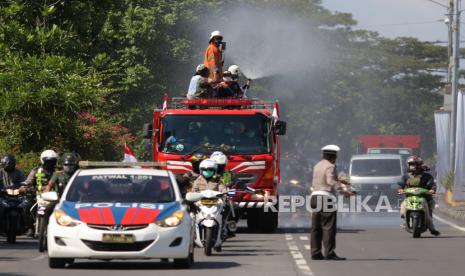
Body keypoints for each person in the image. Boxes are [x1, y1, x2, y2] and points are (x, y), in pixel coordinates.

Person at [310, 145, 353, 261]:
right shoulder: (330, 166)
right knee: (328, 227)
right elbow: (330, 181)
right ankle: (329, 253)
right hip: (326, 197)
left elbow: (324, 179)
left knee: (316, 227)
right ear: (333, 156)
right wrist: (345, 192)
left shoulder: (317, 165)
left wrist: (340, 180)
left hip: (314, 197)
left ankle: (315, 253)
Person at [399, 155, 440, 236]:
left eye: (415, 164)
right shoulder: (406, 176)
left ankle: (432, 229)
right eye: (411, 164)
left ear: (419, 165)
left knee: (428, 215)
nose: (413, 166)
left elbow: (432, 185)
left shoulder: (427, 176)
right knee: (402, 211)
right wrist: (400, 189)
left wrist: (432, 190)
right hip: (409, 198)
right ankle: (406, 222)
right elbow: (401, 185)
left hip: (425, 198)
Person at [24, 149, 58, 236]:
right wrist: (24, 187)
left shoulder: (58, 172)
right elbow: (28, 181)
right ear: (43, 160)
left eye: (52, 161)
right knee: (27, 207)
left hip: (55, 197)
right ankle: (30, 227)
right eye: (48, 162)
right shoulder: (36, 170)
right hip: (38, 196)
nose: (50, 164)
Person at [0, 155, 27, 231]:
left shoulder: (19, 172)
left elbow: (24, 182)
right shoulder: (1, 172)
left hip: (17, 195)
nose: (7, 166)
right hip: (3, 194)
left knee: (25, 208)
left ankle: (27, 226)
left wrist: (23, 188)